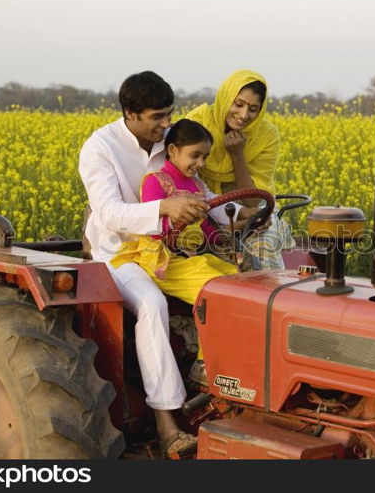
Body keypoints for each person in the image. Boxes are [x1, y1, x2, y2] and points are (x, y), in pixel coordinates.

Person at [78, 72, 243, 458]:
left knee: (243, 283)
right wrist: (163, 208)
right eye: (157, 117)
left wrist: (240, 211)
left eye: (169, 115)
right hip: (120, 253)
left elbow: (198, 190)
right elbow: (109, 212)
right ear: (130, 114)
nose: (165, 125)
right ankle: (167, 423)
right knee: (151, 305)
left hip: (174, 252)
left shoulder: (168, 143)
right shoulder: (100, 147)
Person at [110, 119, 256, 385]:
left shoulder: (198, 187)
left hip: (192, 258)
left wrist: (229, 233)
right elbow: (155, 227)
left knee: (237, 278)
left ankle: (235, 353)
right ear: (173, 151)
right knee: (214, 291)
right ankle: (203, 363)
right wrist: (177, 221)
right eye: (195, 156)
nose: (200, 163)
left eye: (205, 157)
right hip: (165, 258)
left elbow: (207, 229)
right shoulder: (156, 182)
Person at [185, 69, 295, 270]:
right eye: (238, 104)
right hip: (205, 202)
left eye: (253, 109)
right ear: (227, 97)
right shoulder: (198, 122)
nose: (244, 115)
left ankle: (269, 297)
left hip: (253, 204)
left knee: (264, 243)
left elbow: (253, 199)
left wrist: (237, 155)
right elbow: (185, 178)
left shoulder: (266, 135)